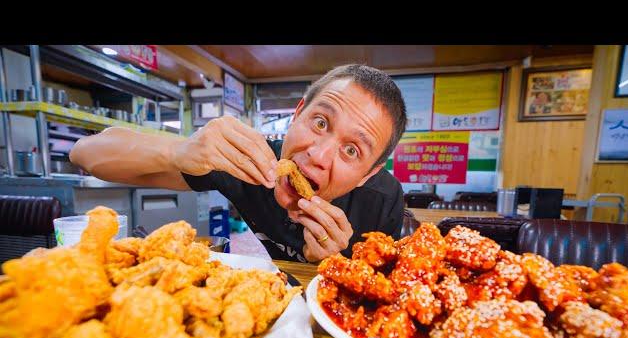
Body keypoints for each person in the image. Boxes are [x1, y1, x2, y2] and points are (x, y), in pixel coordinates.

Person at [70, 64, 407, 263]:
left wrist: (331, 268)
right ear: (297, 114)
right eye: (320, 123)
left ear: (370, 173)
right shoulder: (249, 160)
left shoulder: (383, 201)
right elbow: (85, 153)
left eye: (351, 151)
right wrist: (180, 150)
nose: (318, 156)